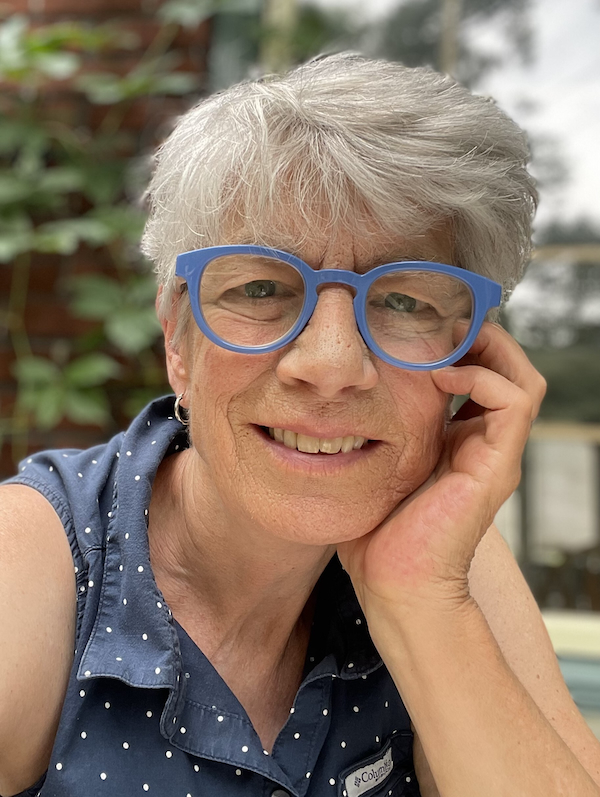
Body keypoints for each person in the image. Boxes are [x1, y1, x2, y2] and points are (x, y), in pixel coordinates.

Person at [1, 53, 599, 797]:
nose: (331, 363)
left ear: (470, 352)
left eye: (406, 300)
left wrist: (419, 600)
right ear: (177, 341)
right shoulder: (33, 566)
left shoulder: (453, 561)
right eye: (260, 287)